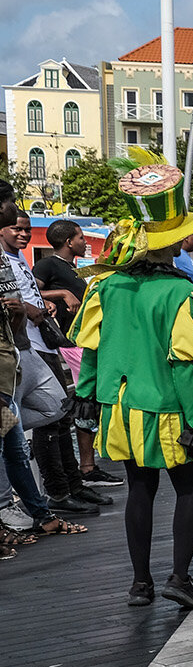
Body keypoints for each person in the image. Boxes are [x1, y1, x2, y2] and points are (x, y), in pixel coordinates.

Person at [71, 155, 193, 607]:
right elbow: (184, 363)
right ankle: (179, 576)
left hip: (123, 407)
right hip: (172, 411)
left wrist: (86, 396)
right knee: (190, 489)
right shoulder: (182, 292)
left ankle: (140, 583)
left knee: (140, 489)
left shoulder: (105, 287)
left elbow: (91, 348)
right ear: (169, 242)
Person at [0, 205, 105, 516]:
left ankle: (69, 485)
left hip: (33, 348)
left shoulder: (17, 262)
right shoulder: (5, 261)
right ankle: (51, 494)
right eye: (15, 227)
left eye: (26, 229)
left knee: (59, 410)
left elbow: (24, 298)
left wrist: (43, 301)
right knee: (15, 440)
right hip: (15, 353)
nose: (22, 233)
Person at [35, 218, 121, 489]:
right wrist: (61, 294)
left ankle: (87, 465)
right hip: (71, 344)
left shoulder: (73, 269)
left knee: (90, 401)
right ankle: (86, 467)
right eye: (81, 238)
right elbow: (32, 291)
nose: (85, 243)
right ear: (69, 242)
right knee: (85, 400)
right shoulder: (49, 264)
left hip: (85, 342)